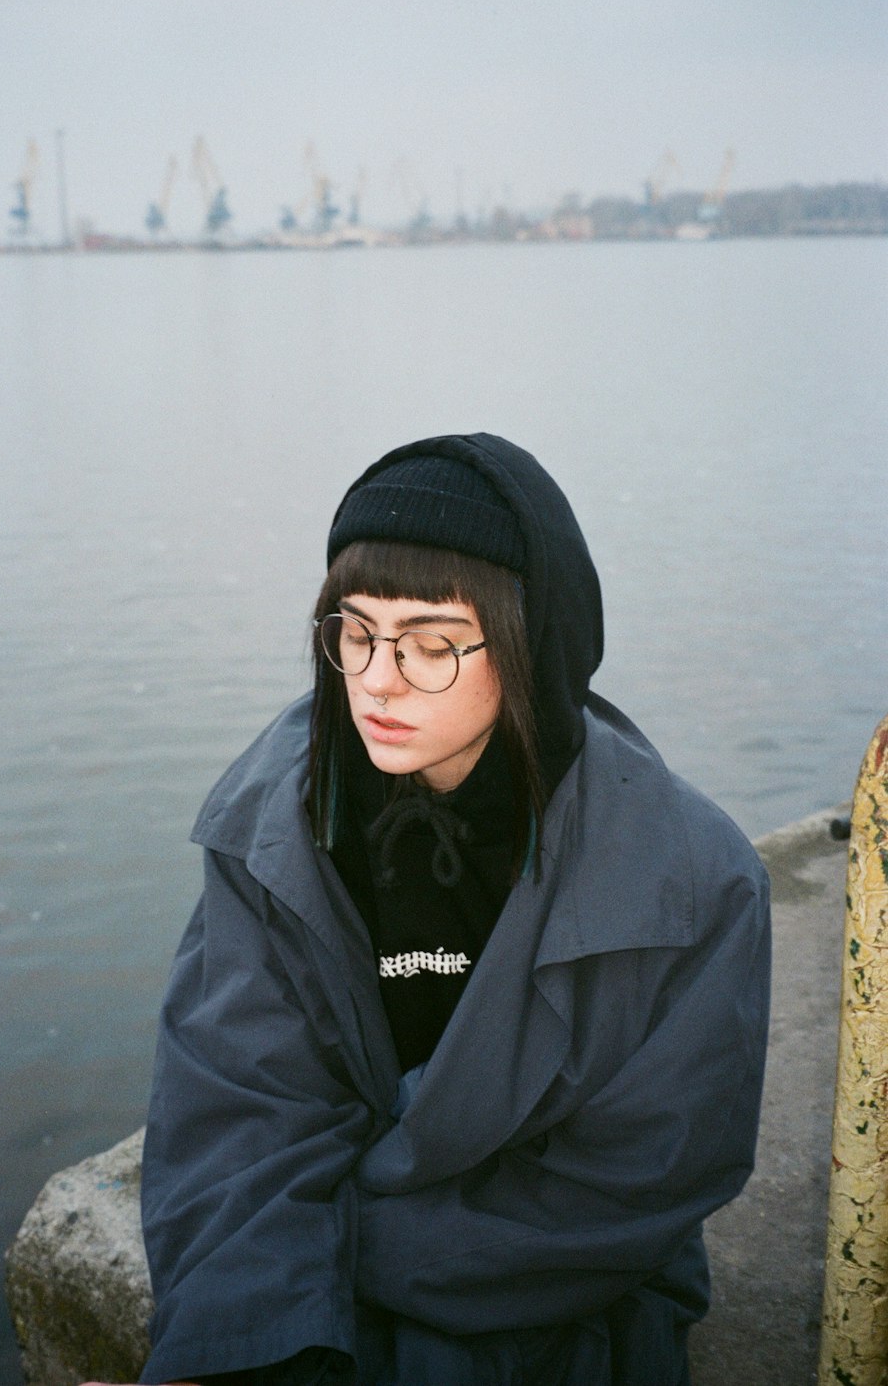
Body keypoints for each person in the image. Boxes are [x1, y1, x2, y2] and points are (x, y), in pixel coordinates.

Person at [85, 432, 770, 1386]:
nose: (377, 680)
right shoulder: (275, 831)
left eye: (434, 645)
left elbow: (638, 1181)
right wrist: (260, 1323)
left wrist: (334, 1241)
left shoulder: (693, 881)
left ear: (533, 643)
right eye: (356, 633)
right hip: (308, 1259)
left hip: (559, 1280)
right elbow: (238, 1105)